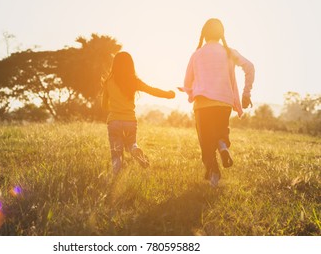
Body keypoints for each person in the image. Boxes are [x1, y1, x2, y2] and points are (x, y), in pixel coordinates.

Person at [181, 18, 255, 187]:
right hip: (224, 103)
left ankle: (214, 179)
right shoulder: (229, 52)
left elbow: (187, 82)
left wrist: (189, 94)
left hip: (202, 105)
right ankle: (222, 144)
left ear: (204, 34)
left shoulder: (197, 54)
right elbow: (250, 67)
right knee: (220, 132)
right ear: (221, 34)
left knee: (206, 145)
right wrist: (246, 93)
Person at [102, 51, 175, 175]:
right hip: (130, 121)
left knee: (116, 153)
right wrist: (168, 94)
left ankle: (116, 177)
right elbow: (152, 90)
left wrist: (115, 106)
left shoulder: (108, 82)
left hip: (114, 121)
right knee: (131, 144)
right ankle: (134, 149)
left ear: (114, 65)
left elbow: (104, 106)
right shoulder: (134, 82)